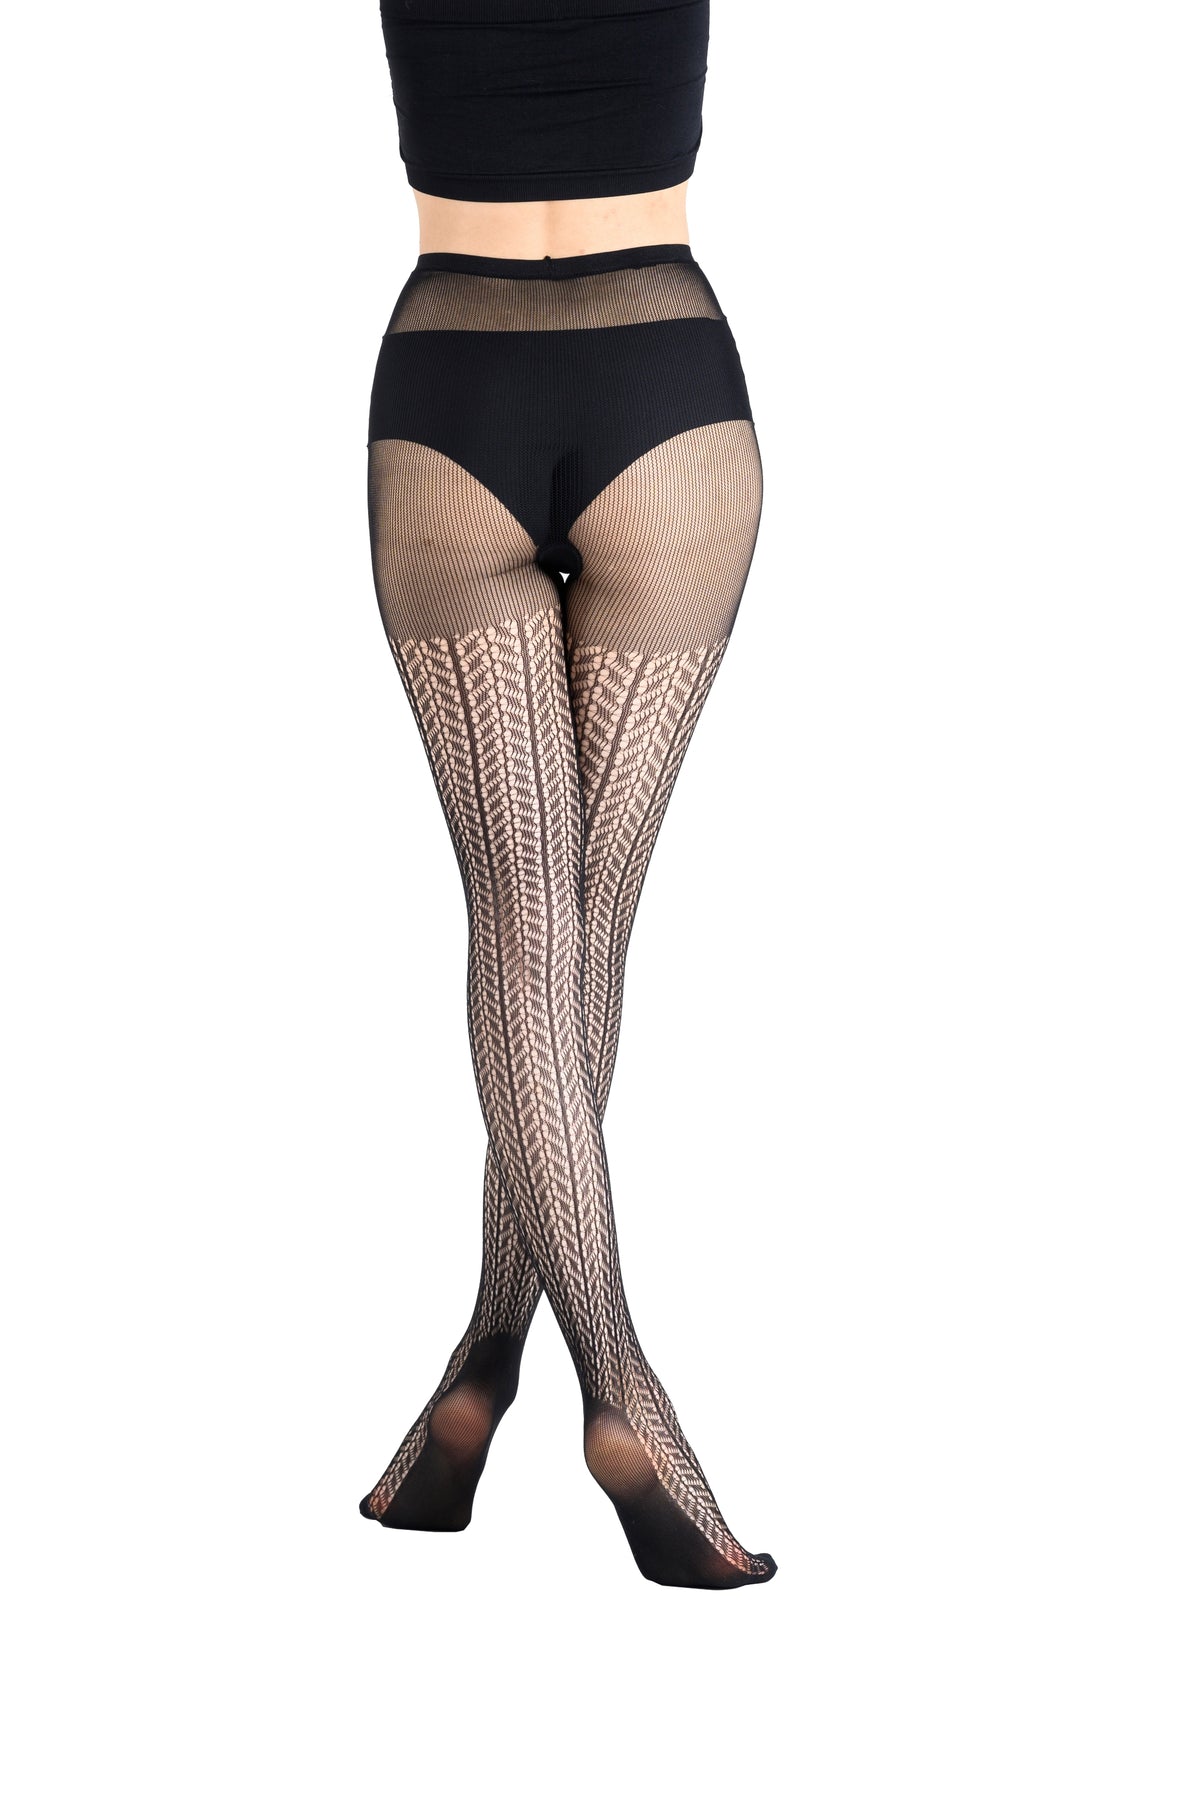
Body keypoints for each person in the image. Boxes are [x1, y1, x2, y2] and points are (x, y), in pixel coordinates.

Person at [359, 0, 776, 1590]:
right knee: (588, 929)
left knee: (527, 925)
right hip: (665, 382)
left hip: (449, 384)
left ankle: (490, 1366)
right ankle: (613, 1391)